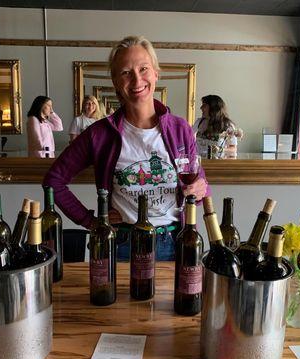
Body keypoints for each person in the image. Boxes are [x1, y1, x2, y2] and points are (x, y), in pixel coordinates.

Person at [43, 36, 209, 261]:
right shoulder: (98, 134)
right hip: (122, 245)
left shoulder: (181, 129)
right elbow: (54, 181)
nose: (137, 79)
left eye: (143, 69)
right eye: (126, 72)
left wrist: (201, 189)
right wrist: (91, 221)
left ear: (156, 73)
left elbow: (198, 186)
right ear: (115, 82)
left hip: (173, 243)